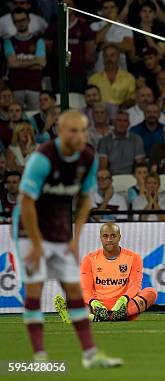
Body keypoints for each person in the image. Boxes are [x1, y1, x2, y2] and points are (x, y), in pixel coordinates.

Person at [12, 109, 122, 367]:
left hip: (59, 230)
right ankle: (39, 357)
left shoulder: (88, 158)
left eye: (83, 130)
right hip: (28, 229)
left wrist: (76, 239)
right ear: (60, 132)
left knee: (73, 289)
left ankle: (90, 355)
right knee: (35, 287)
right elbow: (26, 202)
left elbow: (85, 198)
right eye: (73, 130)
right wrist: (36, 245)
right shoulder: (43, 158)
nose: (80, 136)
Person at [55, 222, 158, 322]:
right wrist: (94, 302)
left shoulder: (134, 258)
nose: (109, 239)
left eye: (113, 235)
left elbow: (135, 285)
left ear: (119, 237)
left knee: (151, 292)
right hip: (99, 305)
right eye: (105, 236)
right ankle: (117, 316)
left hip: (123, 304)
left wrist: (123, 299)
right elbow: (85, 288)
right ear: (100, 237)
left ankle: (86, 317)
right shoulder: (89, 259)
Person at [4, 7, 47, 111]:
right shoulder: (8, 41)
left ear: (28, 20)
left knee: (34, 117)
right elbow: (12, 63)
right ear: (13, 23)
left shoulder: (38, 41)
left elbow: (41, 63)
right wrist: (34, 61)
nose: (21, 23)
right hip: (15, 89)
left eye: (23, 20)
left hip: (35, 88)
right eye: (17, 21)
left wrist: (19, 63)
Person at [98, 110, 145, 175]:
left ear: (128, 124)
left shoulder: (136, 139)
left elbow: (140, 164)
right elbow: (103, 166)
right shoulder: (104, 141)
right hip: (111, 177)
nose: (122, 124)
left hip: (131, 177)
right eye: (118, 120)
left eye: (125, 121)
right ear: (114, 123)